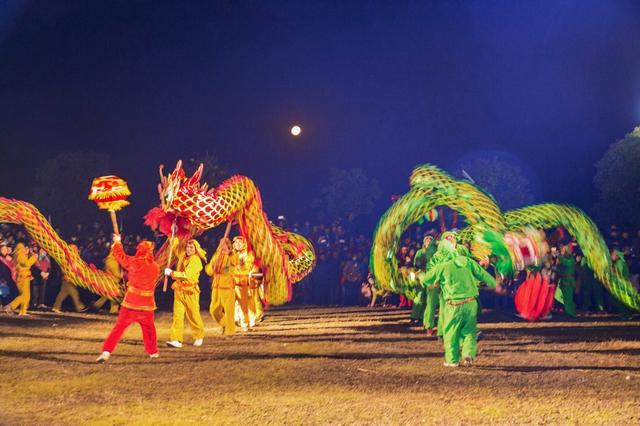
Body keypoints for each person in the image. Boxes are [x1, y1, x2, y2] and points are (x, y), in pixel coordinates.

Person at [420, 232, 498, 368]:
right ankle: (468, 354)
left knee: (451, 332)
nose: (451, 239)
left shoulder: (445, 263)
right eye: (448, 238)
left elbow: (427, 277)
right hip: (468, 301)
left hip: (453, 303)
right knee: (469, 330)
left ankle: (452, 360)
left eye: (452, 237)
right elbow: (480, 273)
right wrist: (495, 284)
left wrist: (420, 276)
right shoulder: (464, 260)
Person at [96, 234, 161, 363]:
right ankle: (153, 352)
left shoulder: (133, 262)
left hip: (131, 303)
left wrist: (117, 242)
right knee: (149, 329)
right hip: (147, 305)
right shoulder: (155, 267)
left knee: (118, 328)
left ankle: (106, 352)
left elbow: (120, 256)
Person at [165, 238, 207, 348]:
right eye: (187, 247)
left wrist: (171, 273)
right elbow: (176, 247)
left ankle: (199, 336)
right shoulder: (183, 255)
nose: (188, 249)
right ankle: (176, 339)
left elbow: (187, 275)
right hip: (179, 290)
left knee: (193, 315)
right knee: (177, 315)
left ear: (196, 249)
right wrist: (172, 235)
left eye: (191, 247)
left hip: (190, 292)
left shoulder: (196, 261)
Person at [207, 238, 236, 337]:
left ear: (228, 245)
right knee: (213, 310)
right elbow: (209, 270)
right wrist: (212, 267)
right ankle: (224, 324)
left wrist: (228, 253)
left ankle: (230, 332)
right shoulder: (216, 255)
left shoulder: (232, 255)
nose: (222, 246)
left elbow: (236, 263)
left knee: (229, 310)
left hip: (228, 286)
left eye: (224, 244)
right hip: (216, 286)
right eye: (221, 243)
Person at [52, 244, 88, 313]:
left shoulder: (75, 257)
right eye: (74, 248)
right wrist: (65, 274)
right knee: (74, 292)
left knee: (63, 293)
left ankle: (56, 307)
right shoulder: (67, 257)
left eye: (76, 248)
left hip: (72, 277)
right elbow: (64, 266)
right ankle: (80, 307)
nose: (76, 249)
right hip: (68, 277)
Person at [412, 234, 437, 333]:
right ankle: (415, 316)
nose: (428, 242)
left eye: (430, 240)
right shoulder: (420, 252)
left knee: (429, 299)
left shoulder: (435, 252)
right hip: (422, 275)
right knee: (420, 296)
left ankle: (424, 318)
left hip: (432, 275)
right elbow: (416, 264)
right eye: (426, 240)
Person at [4, 243, 37, 315]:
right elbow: (26, 264)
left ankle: (23, 311)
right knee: (24, 295)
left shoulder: (19, 254)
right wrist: (34, 257)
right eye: (25, 248)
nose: (26, 250)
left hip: (25, 275)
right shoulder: (20, 254)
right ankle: (11, 306)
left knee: (27, 295)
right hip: (22, 277)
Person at [231, 236, 255, 332]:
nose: (237, 244)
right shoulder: (231, 254)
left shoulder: (248, 255)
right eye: (236, 242)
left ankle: (246, 323)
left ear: (244, 244)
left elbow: (249, 268)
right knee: (234, 303)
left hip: (243, 283)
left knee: (245, 304)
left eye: (240, 242)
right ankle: (236, 319)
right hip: (232, 283)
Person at [92, 248, 122, 314]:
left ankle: (97, 305)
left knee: (109, 295)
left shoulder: (110, 259)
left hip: (110, 280)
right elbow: (116, 273)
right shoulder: (112, 260)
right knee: (115, 295)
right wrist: (123, 276)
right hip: (113, 281)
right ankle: (113, 309)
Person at [555, 245, 577, 317]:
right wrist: (557, 265)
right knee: (559, 296)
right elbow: (559, 270)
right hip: (563, 281)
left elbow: (567, 263)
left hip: (569, 281)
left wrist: (559, 257)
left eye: (563, 251)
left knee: (568, 298)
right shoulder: (563, 259)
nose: (562, 252)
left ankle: (571, 313)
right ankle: (569, 311)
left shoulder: (571, 259)